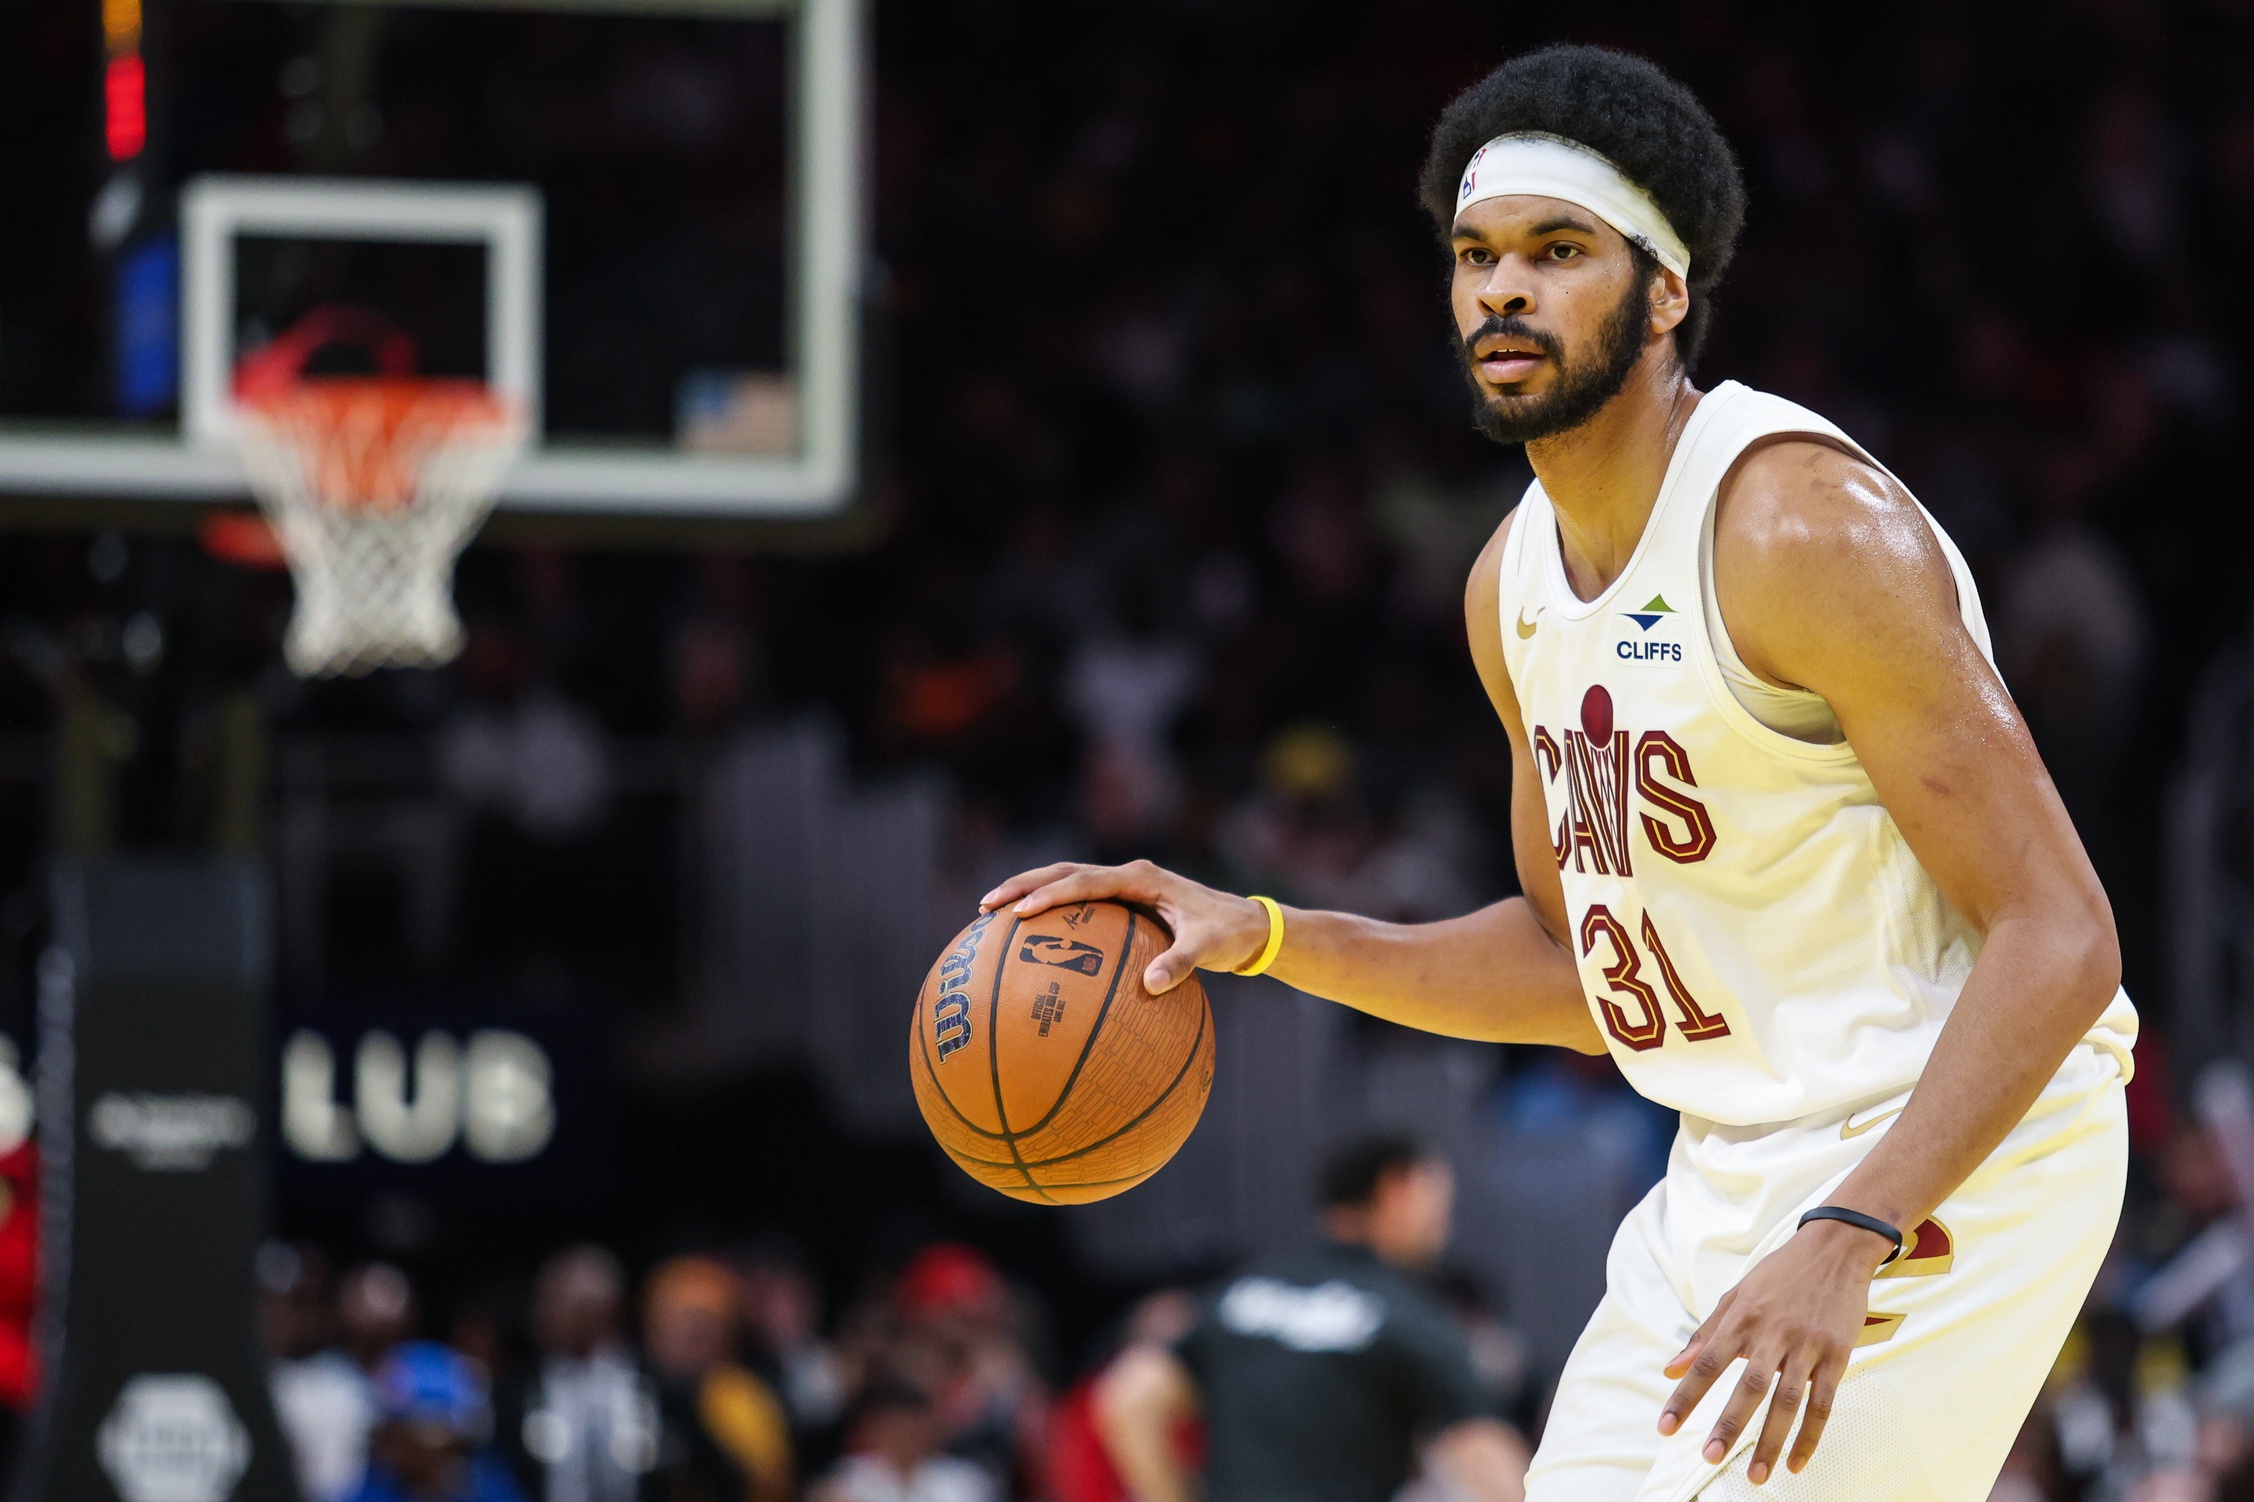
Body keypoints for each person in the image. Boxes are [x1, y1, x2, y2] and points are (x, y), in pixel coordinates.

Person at [978, 42, 2139, 1502]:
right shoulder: (1509, 588)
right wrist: (1264, 935)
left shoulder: (1799, 531)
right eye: (1474, 255)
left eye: (1556, 250)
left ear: (1665, 291)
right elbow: (1576, 966)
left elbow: (2064, 935)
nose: (1501, 291)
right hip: (1732, 1155)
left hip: (1950, 1141)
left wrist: (1853, 1229)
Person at [1094, 1135, 1527, 1502]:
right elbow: (1485, 1459)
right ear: (1399, 1188)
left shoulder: (1245, 1291)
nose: (1445, 1222)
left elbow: (1128, 1400)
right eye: (1439, 1198)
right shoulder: (1410, 1317)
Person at [505, 1246, 658, 1502]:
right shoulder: (516, 1392)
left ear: (612, 1309)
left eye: (582, 1308)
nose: (557, 1315)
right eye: (553, 1302)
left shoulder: (654, 1385)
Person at [642, 1255, 793, 1502]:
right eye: (683, 1324)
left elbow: (771, 1481)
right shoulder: (632, 1390)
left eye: (706, 1326)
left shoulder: (741, 1396)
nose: (695, 1338)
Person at [347, 1342, 528, 1502]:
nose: (387, 1449)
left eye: (398, 1431)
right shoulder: (373, 1490)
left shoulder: (491, 1488)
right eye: (387, 1434)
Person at [808, 1380, 997, 1502]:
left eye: (913, 1425)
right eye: (896, 1426)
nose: (906, 1435)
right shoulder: (846, 1479)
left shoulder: (963, 1479)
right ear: (876, 1429)